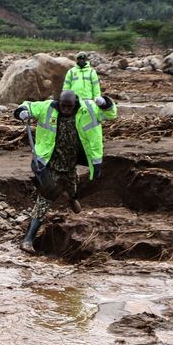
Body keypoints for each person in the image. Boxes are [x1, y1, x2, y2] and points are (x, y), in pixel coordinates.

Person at [15, 89, 116, 254]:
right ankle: (28, 240)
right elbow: (27, 106)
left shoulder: (88, 109)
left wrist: (105, 103)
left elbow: (111, 114)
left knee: (72, 187)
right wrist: (22, 112)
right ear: (58, 103)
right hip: (50, 164)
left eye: (69, 106)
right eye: (63, 106)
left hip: (70, 164)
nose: (66, 110)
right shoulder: (47, 108)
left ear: (75, 104)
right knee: (44, 200)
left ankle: (70, 197)